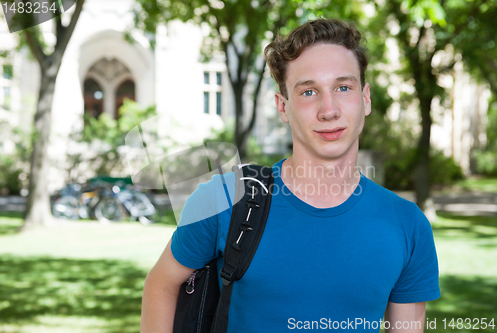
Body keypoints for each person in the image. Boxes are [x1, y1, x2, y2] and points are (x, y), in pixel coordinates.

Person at [141, 18, 440, 332]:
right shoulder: (225, 198)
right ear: (283, 107)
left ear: (365, 98)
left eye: (343, 87)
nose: (329, 110)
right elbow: (161, 286)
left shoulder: (408, 225)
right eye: (309, 91)